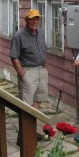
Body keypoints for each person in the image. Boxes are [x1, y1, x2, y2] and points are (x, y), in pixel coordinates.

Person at [9, 9, 48, 145]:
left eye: (37, 19)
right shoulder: (19, 35)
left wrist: (44, 67)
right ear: (26, 20)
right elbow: (14, 57)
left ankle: (31, 130)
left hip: (41, 71)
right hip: (28, 72)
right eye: (32, 19)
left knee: (37, 101)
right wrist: (23, 75)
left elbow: (43, 50)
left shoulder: (41, 33)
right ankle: (22, 136)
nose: (34, 22)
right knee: (26, 105)